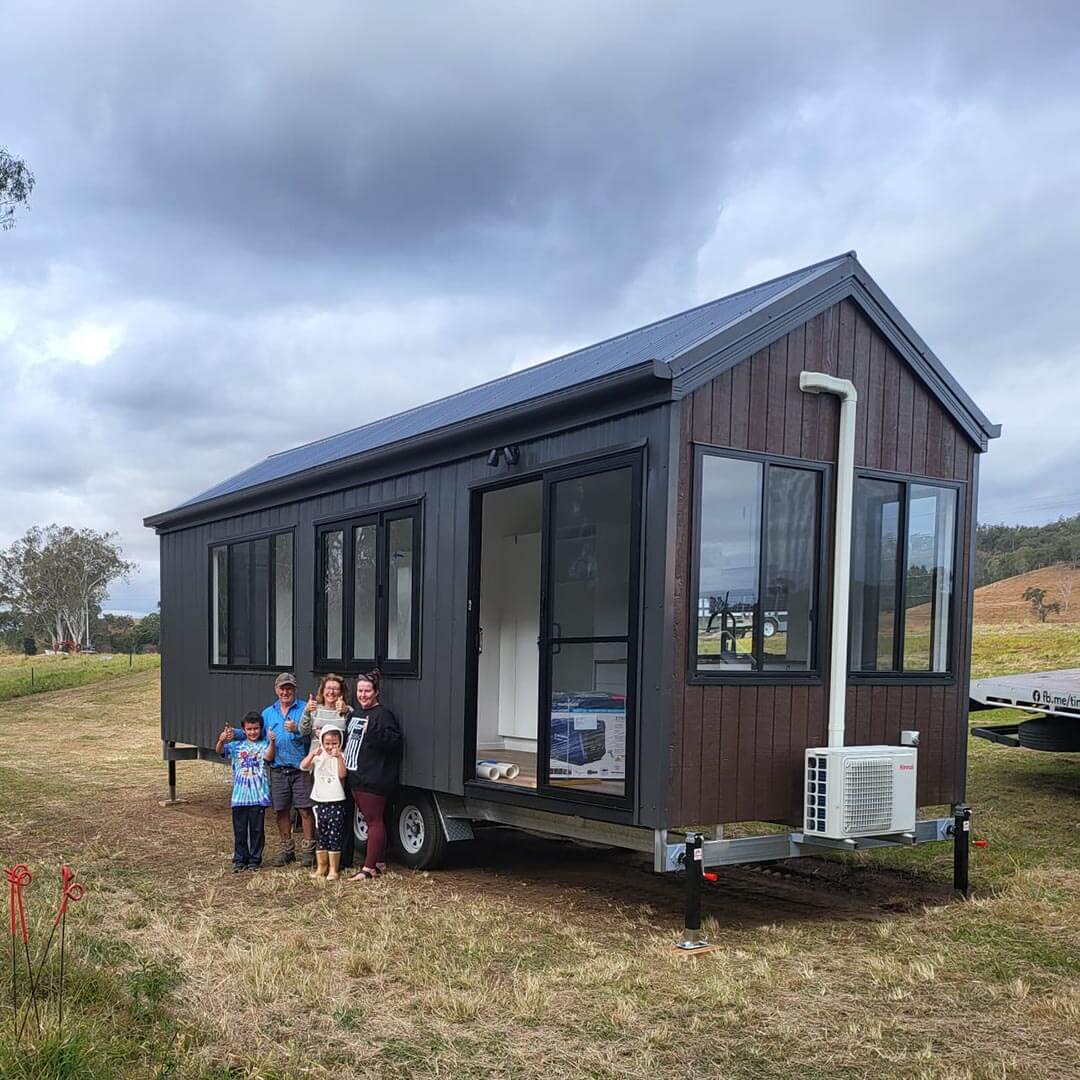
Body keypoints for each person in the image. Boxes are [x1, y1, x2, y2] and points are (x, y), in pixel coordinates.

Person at [343, 669, 402, 882]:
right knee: (369, 821)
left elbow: (394, 744)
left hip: (374, 778)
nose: (363, 695)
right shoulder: (357, 714)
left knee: (375, 821)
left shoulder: (383, 715)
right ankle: (378, 861)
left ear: (376, 692)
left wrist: (374, 732)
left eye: (367, 691)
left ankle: (368, 869)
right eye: (360, 691)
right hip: (356, 776)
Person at [259, 672, 316, 867]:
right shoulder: (267, 713)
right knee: (281, 810)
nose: (286, 692)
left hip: (300, 768)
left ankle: (308, 851)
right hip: (278, 768)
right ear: (276, 690)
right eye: (282, 688)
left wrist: (297, 730)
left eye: (289, 688)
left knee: (305, 809)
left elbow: (313, 736)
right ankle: (287, 850)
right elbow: (257, 735)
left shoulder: (304, 709)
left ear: (295, 690)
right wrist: (237, 734)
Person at [216, 711, 275, 872]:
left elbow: (269, 758)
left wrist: (272, 742)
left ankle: (255, 859)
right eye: (249, 729)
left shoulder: (264, 745)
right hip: (239, 796)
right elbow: (220, 751)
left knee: (257, 830)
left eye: (256, 729)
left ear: (260, 728)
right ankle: (240, 859)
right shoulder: (236, 746)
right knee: (240, 830)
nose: (253, 732)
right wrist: (221, 740)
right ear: (244, 730)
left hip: (258, 795)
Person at [300, 721, 348, 881]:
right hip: (319, 799)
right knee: (321, 833)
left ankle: (334, 869)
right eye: (327, 743)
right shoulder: (318, 755)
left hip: (336, 799)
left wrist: (339, 757)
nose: (330, 746)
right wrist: (312, 754)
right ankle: (322, 867)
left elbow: (342, 775)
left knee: (335, 833)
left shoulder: (341, 755)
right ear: (322, 741)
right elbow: (303, 766)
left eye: (334, 743)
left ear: (340, 742)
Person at [300, 673, 352, 744]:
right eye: (328, 688)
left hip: (338, 754)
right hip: (316, 753)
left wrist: (347, 712)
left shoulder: (348, 710)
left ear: (341, 692)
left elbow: (353, 735)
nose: (331, 692)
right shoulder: (314, 709)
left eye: (336, 689)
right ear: (322, 691)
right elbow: (303, 732)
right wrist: (307, 711)